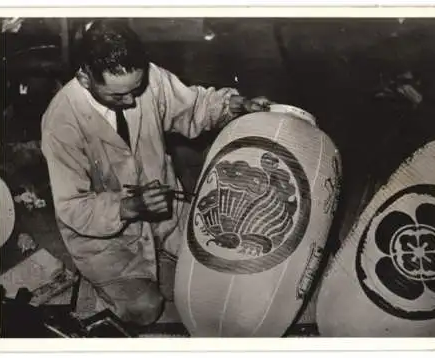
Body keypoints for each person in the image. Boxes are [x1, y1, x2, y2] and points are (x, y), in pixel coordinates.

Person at [40, 19, 273, 327]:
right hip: (104, 239)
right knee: (145, 309)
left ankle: (162, 263)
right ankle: (120, 282)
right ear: (84, 77)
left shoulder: (151, 79)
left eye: (136, 89)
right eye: (116, 95)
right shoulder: (60, 123)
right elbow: (72, 208)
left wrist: (234, 105)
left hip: (167, 217)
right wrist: (129, 206)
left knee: (218, 282)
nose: (132, 101)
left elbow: (193, 107)